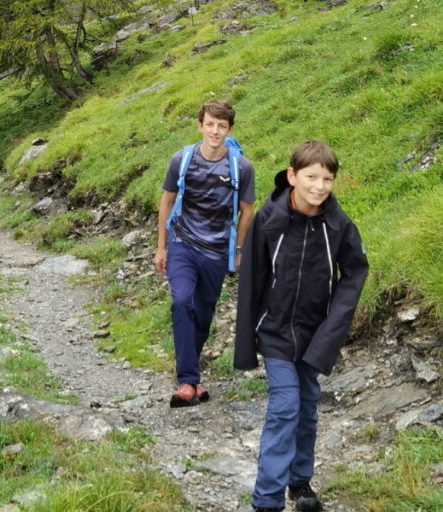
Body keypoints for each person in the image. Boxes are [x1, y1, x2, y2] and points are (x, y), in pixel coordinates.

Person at [234, 140, 369, 512]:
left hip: (316, 335)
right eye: (311, 176)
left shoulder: (338, 225)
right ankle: (267, 499)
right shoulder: (268, 219)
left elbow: (355, 271)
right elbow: (252, 281)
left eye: (328, 178)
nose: (319, 186)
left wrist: (332, 330)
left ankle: (300, 482)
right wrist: (247, 341)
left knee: (308, 407)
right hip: (275, 332)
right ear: (292, 176)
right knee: (285, 406)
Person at [155, 100, 255, 407]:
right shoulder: (181, 160)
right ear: (200, 125)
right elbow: (166, 203)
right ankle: (187, 381)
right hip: (182, 244)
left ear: (229, 129)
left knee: (202, 314)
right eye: (210, 124)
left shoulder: (241, 167)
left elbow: (247, 212)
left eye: (221, 126)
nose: (215, 131)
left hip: (215, 252)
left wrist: (237, 250)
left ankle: (191, 378)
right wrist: (161, 246)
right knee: (182, 301)